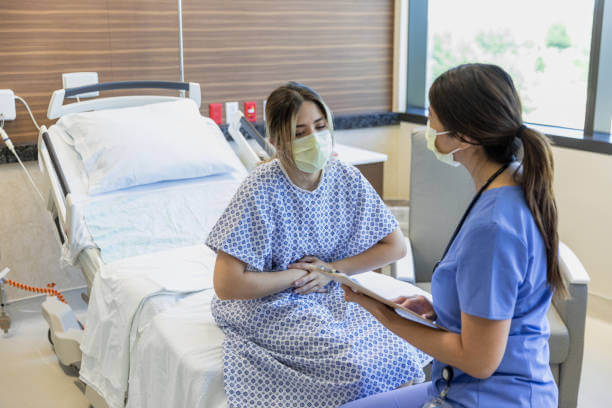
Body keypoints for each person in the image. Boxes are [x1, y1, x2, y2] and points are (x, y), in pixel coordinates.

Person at [340, 63, 565, 408]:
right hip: (478, 386)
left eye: (432, 116)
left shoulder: (493, 228)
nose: (428, 126)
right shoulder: (512, 184)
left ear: (466, 135)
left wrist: (382, 313)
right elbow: (501, 298)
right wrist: (444, 310)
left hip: (491, 397)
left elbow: (479, 360)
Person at [206, 82, 430, 408]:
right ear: (277, 141)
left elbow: (395, 246)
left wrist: (331, 272)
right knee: (353, 370)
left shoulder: (345, 177)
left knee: (402, 344)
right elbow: (226, 285)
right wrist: (300, 276)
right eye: (300, 132)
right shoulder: (261, 188)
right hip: (270, 305)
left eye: (320, 126)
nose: (314, 138)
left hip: (332, 291)